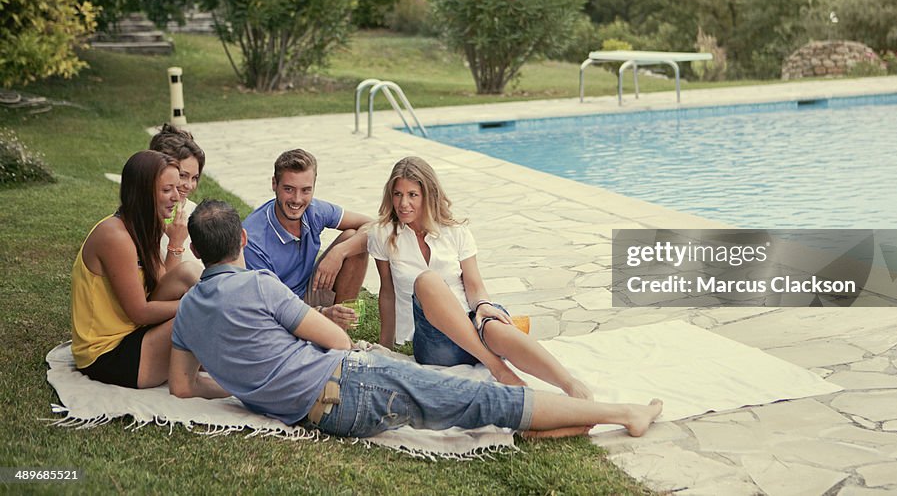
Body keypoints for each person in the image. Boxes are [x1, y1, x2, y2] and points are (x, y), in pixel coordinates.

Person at [170, 199, 663, 439]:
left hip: (320, 415)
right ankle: (624, 413)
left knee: (473, 406)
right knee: (483, 398)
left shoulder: (187, 314)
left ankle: (552, 418)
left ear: (196, 248)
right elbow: (337, 341)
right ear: (240, 243)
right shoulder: (259, 285)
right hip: (351, 387)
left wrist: (243, 384)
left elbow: (184, 387)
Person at [369, 156, 592, 399]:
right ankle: (499, 369)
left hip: (472, 322)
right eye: (398, 194)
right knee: (427, 281)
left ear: (428, 195)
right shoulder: (383, 235)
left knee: (493, 323)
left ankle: (569, 384)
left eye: (413, 194)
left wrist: (484, 306)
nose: (403, 203)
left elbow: (474, 286)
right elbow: (387, 293)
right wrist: (386, 348)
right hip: (435, 342)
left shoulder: (456, 231)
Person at [71, 150, 202, 388]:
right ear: (142, 193)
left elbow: (164, 287)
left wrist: (174, 244)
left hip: (136, 334)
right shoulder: (115, 236)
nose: (176, 197)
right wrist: (197, 303)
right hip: (108, 354)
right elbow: (140, 312)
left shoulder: (143, 226)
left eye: (177, 187)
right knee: (202, 314)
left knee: (188, 272)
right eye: (166, 190)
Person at [242, 149, 371, 330]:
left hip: (308, 290)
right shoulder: (253, 241)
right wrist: (321, 313)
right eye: (288, 189)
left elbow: (374, 226)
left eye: (305, 190)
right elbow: (270, 308)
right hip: (277, 312)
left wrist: (338, 253)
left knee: (352, 239)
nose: (297, 199)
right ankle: (328, 333)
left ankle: (339, 332)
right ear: (274, 184)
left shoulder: (314, 210)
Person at [148, 123, 205, 265]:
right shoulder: (142, 220)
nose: (189, 185)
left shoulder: (197, 213)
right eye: (183, 175)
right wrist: (176, 243)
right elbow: (161, 286)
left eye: (194, 178)